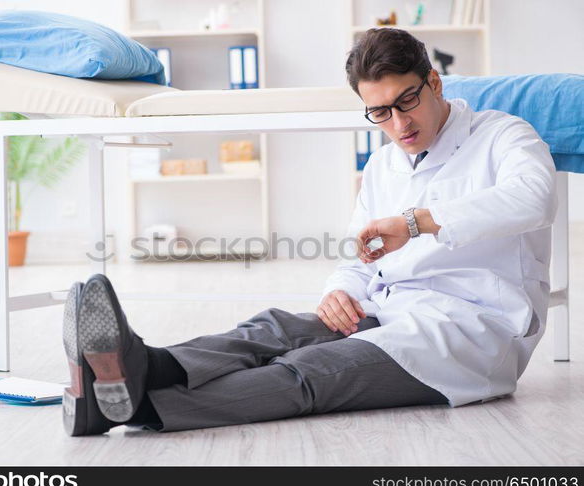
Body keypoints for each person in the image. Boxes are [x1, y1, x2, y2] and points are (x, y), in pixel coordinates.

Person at [61, 28, 557, 435]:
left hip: (468, 335)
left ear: (435, 82)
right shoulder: (385, 165)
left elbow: (534, 199)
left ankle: (129, 407)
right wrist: (341, 290)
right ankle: (142, 366)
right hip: (389, 308)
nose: (399, 123)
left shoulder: (503, 135)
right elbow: (357, 257)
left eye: (407, 101)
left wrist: (417, 222)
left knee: (311, 372)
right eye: (379, 112)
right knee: (273, 330)